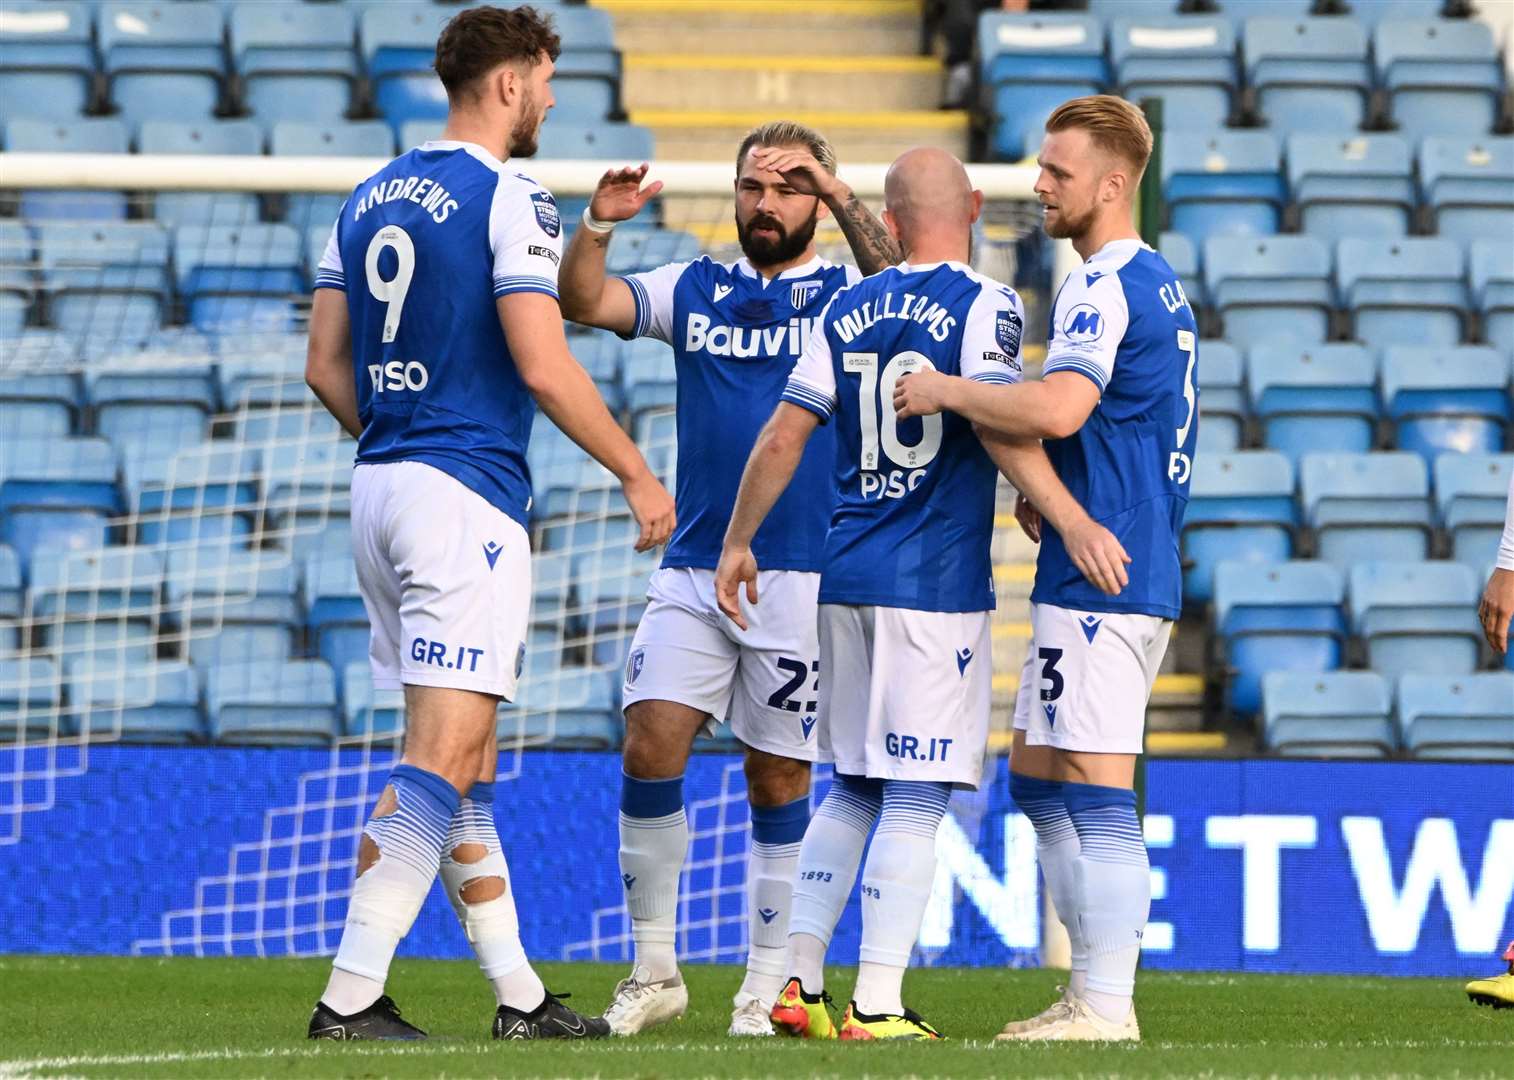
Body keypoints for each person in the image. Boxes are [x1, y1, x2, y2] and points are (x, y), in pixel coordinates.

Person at [301, 4, 673, 1041]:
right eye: (547, 80)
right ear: (507, 82)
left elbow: (323, 366)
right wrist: (639, 475)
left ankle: (518, 998)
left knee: (465, 761)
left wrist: (400, 438)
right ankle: (350, 996)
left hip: (378, 482)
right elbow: (544, 363)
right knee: (438, 755)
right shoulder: (511, 193)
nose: (553, 98)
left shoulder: (367, 193)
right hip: (460, 493)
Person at [715, 146, 1120, 1041]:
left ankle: (797, 984)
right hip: (931, 586)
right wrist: (1056, 507)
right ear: (976, 206)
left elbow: (785, 433)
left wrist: (739, 539)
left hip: (842, 572)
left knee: (852, 783)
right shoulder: (988, 303)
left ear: (890, 222)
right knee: (918, 792)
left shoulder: (846, 302)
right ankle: (879, 1002)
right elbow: (997, 419)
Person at [556, 120, 902, 1037]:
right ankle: (655, 969)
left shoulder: (847, 295)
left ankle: (764, 984)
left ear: (816, 201)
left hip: (803, 577)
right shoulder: (694, 286)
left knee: (778, 778)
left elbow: (905, 281)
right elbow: (583, 301)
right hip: (697, 568)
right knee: (650, 741)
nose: (766, 203)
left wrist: (837, 192)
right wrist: (596, 223)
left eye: (788, 189)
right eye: (754, 186)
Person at [893, 94, 1198, 1042]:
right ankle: (1087, 991)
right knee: (1036, 775)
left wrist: (948, 388)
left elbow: (1061, 409)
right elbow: (1120, 426)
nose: (1040, 186)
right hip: (1108, 556)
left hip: (1106, 569)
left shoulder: (1103, 285)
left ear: (1112, 184)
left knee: (1098, 785)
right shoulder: (1155, 283)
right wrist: (1055, 488)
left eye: (1057, 172)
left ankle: (1105, 1002)